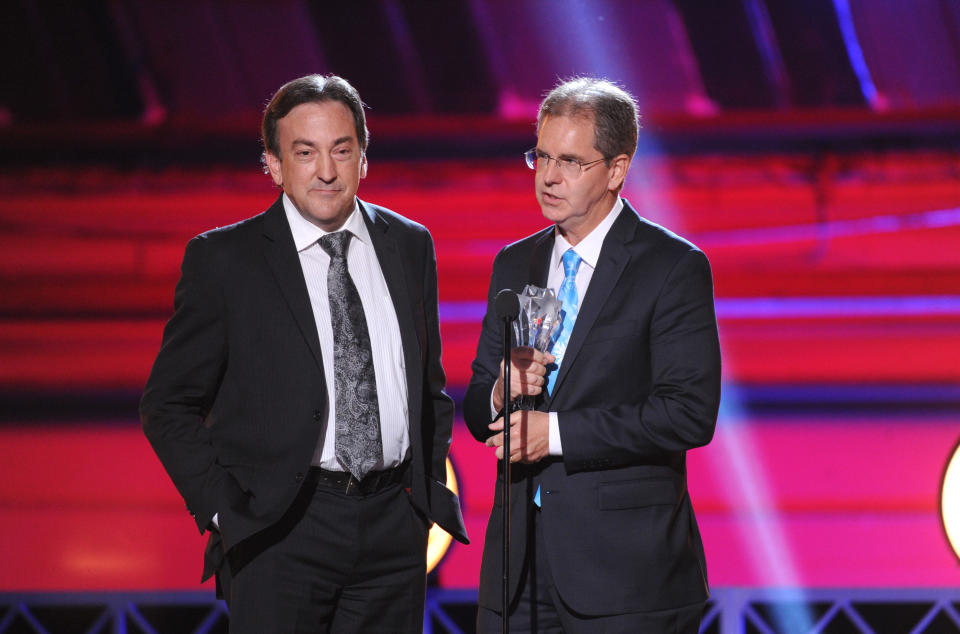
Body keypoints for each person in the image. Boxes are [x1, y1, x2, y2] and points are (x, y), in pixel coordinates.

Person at [141, 73, 467, 633]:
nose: (326, 170)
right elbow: (167, 405)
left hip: (395, 525)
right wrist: (226, 510)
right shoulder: (225, 260)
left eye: (342, 150)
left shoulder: (410, 244)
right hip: (280, 530)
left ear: (363, 157)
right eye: (305, 152)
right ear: (273, 164)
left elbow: (426, 387)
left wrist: (425, 500)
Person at [464, 77, 721, 633]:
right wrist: (499, 389)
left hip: (626, 577)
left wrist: (553, 434)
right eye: (542, 156)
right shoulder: (515, 263)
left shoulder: (671, 267)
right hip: (517, 572)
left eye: (572, 162)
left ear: (617, 169)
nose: (549, 177)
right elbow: (476, 403)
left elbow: (688, 413)